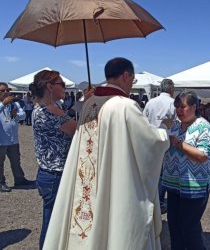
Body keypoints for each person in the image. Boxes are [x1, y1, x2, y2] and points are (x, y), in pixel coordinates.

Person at [42, 57, 170, 250]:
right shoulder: (125, 106)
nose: (131, 85)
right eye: (133, 80)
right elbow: (151, 143)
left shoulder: (90, 103)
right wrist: (164, 132)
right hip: (112, 176)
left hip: (88, 177)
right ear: (126, 76)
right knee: (110, 219)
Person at [29, 71, 78, 249]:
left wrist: (83, 102)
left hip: (48, 174)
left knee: (53, 221)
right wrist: (88, 104)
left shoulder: (43, 108)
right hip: (55, 176)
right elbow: (76, 129)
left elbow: (69, 117)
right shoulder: (49, 111)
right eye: (61, 84)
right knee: (52, 225)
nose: (64, 87)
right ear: (50, 87)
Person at [162, 91, 210, 250]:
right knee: (174, 225)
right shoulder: (175, 125)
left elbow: (203, 155)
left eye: (182, 106)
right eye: (176, 106)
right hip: (174, 184)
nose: (179, 110)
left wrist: (178, 143)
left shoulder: (203, 127)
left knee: (189, 227)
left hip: (194, 187)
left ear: (193, 106)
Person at [143, 78, 176, 214]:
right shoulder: (174, 103)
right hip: (167, 141)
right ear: (171, 89)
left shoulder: (150, 103)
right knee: (164, 173)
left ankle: (151, 198)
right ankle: (160, 201)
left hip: (151, 141)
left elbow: (143, 121)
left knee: (152, 170)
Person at [0, 82, 31, 192]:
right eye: (2, 91)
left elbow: (22, 115)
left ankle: (19, 180)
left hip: (13, 139)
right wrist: (3, 104)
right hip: (1, 140)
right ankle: (1, 183)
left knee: (16, 161)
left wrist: (16, 114)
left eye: (7, 90)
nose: (6, 92)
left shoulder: (13, 104)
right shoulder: (3, 105)